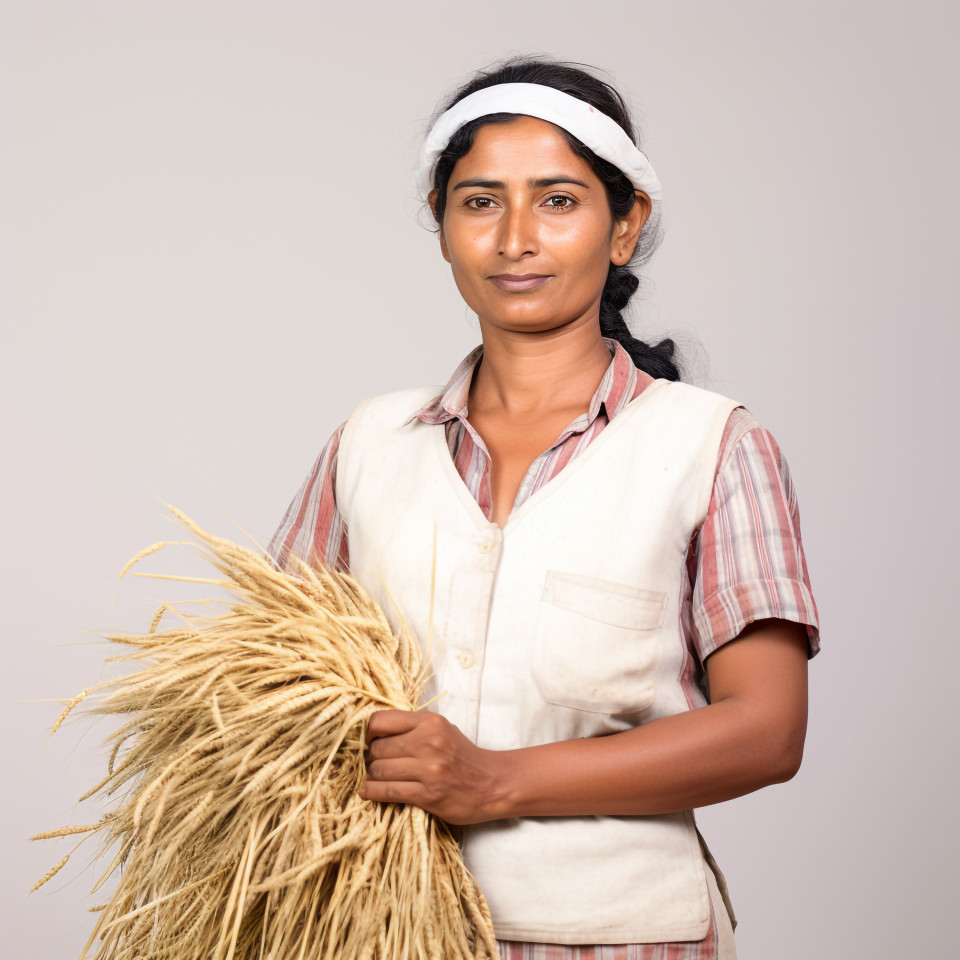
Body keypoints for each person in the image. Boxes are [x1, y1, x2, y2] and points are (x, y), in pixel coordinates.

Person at [266, 55, 820, 960]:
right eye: (480, 201)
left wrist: (494, 782)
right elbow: (268, 687)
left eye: (558, 200)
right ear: (442, 229)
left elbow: (766, 731)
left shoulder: (712, 445)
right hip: (378, 932)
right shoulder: (367, 444)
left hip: (620, 938)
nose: (515, 238)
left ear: (624, 226)